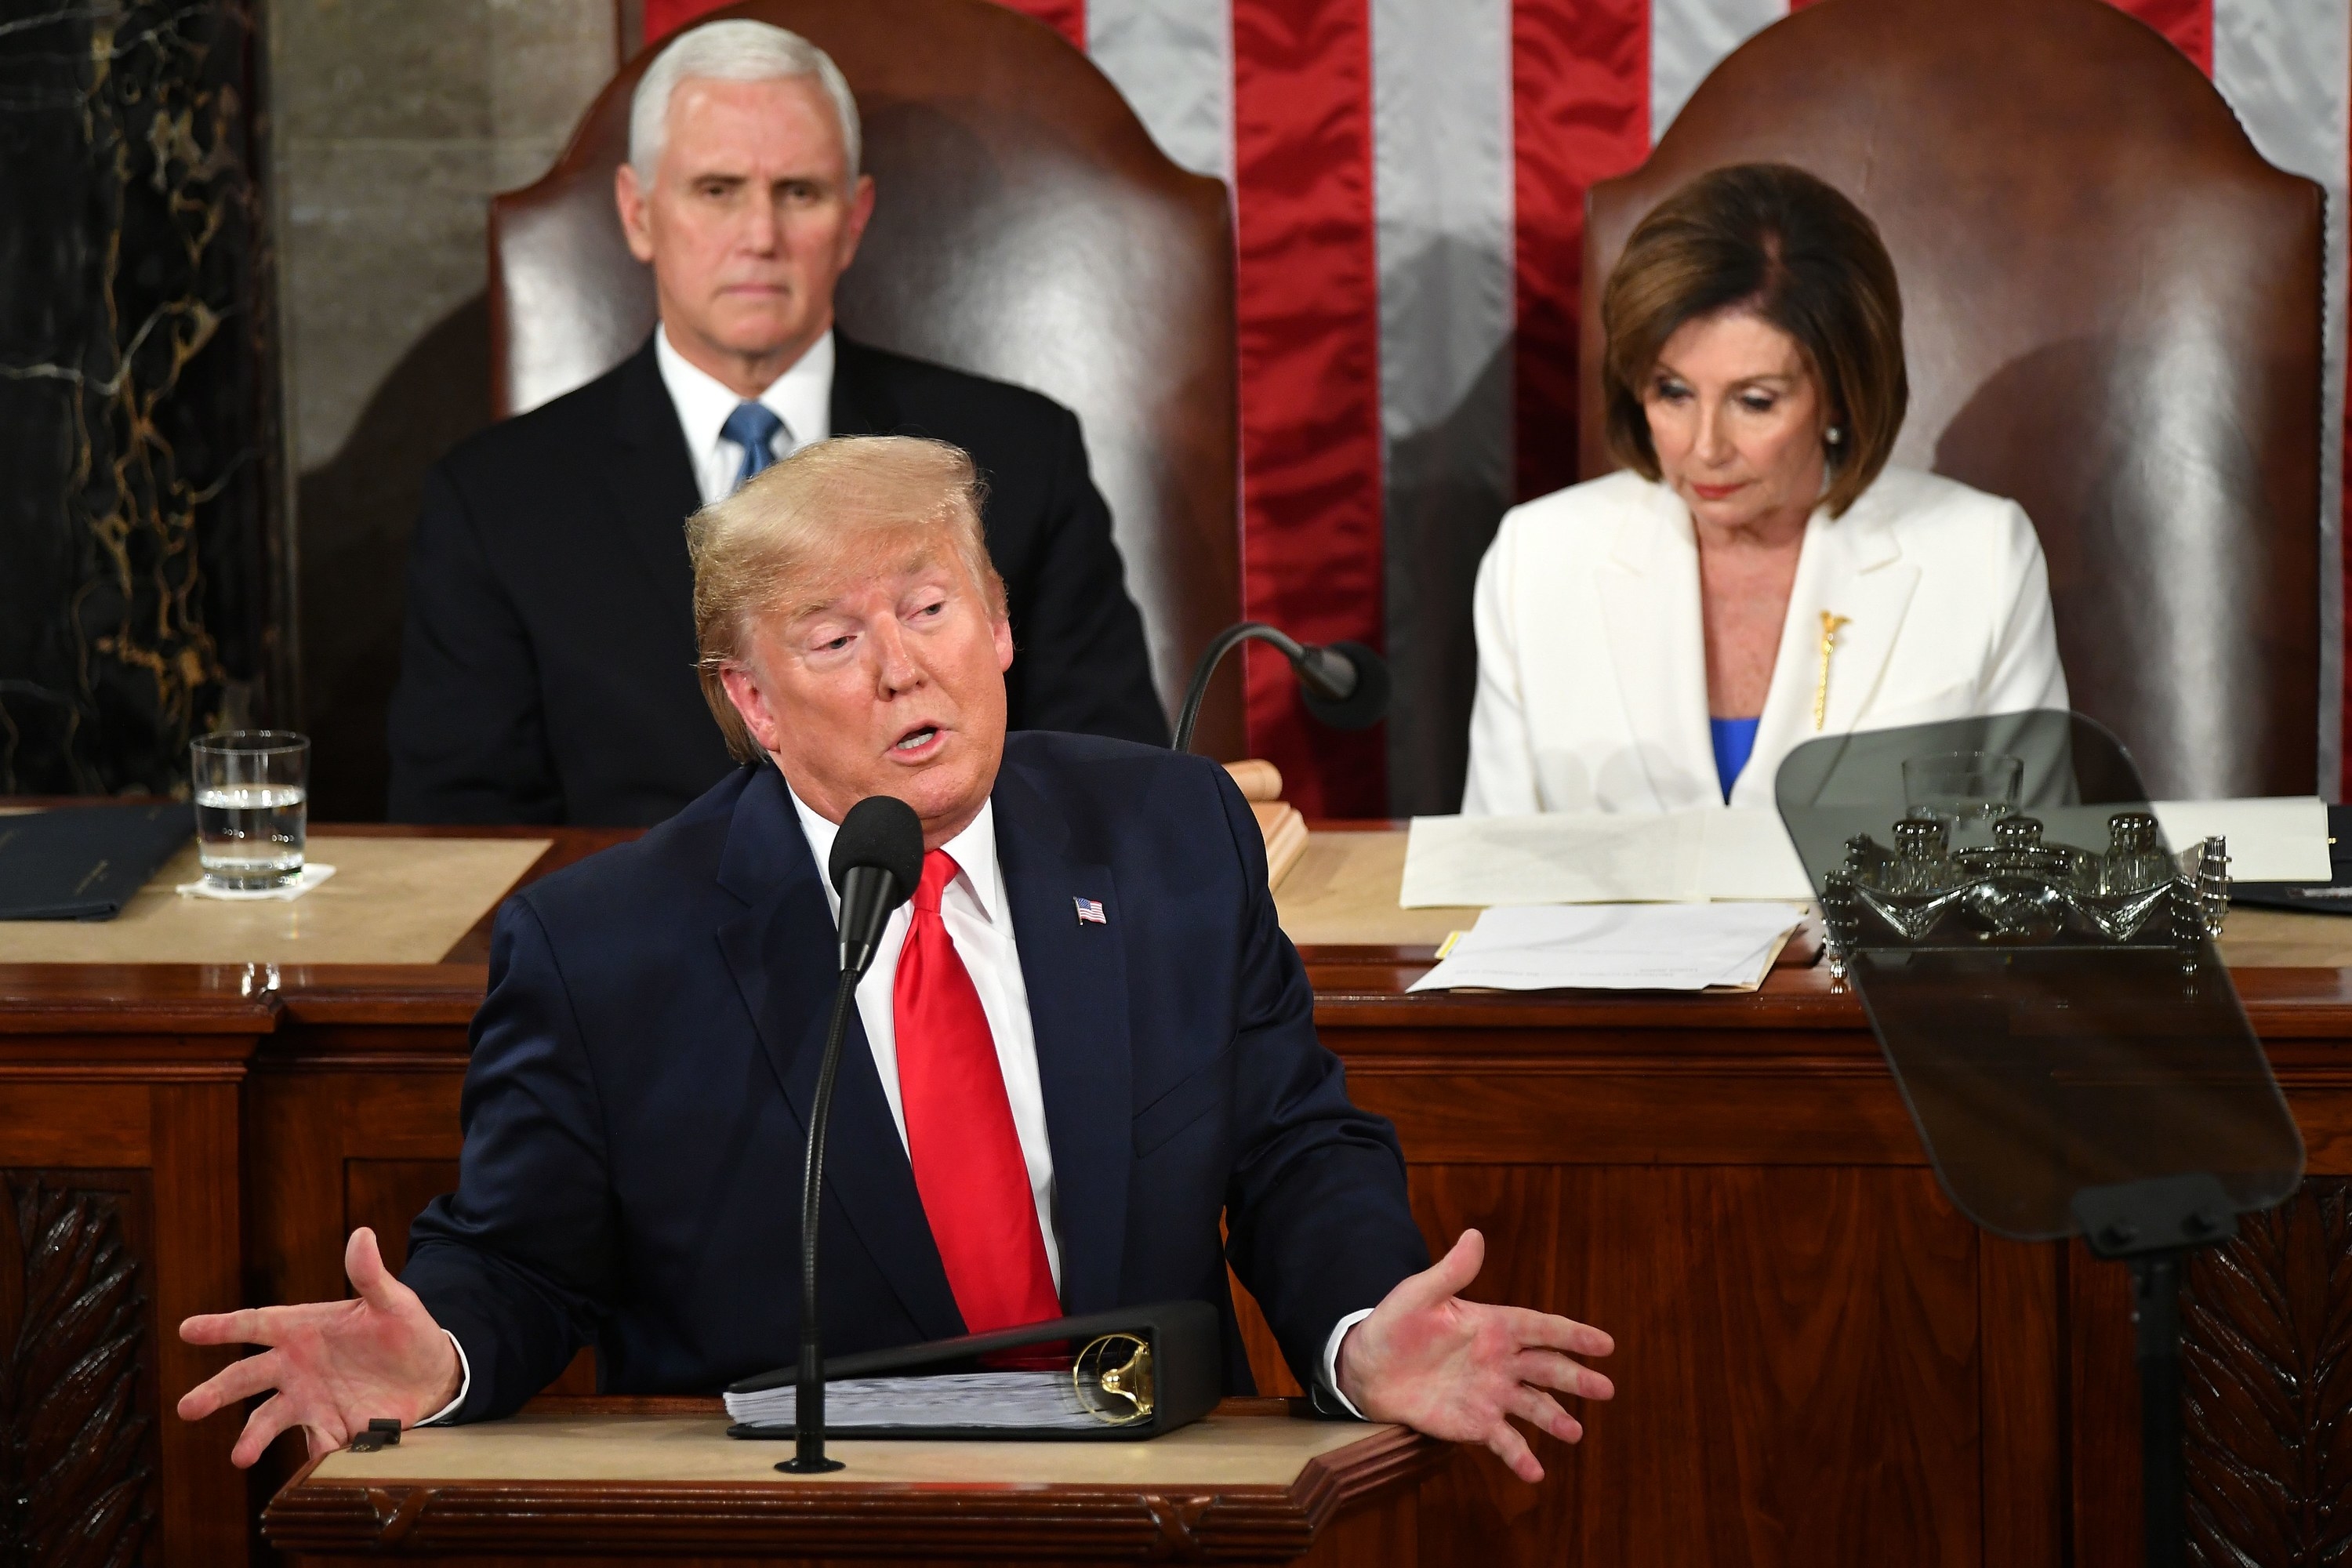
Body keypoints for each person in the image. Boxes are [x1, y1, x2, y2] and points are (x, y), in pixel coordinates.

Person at [180, 436, 1616, 1483]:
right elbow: (523, 1258)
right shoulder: (613, 945)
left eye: (928, 610)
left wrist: (1362, 1331)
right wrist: (441, 1359)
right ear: (751, 700)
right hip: (804, 1528)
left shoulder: (1171, 834)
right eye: (830, 637)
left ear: (997, 624)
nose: (900, 667)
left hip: (1159, 1499)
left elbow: (1295, 1147)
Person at [387, 20, 1167, 827]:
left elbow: (1105, 773)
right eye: (717, 190)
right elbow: (462, 837)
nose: (760, 237)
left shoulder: (1014, 456)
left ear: (854, 218)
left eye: (798, 192)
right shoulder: (495, 500)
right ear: (638, 213)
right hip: (642, 943)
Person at [1462, 163, 2067, 814]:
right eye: (1673, 392)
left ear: (1840, 395)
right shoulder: (1537, 558)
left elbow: (2035, 864)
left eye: (1754, 401)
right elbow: (1492, 873)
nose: (1704, 448)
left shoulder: (1980, 555)